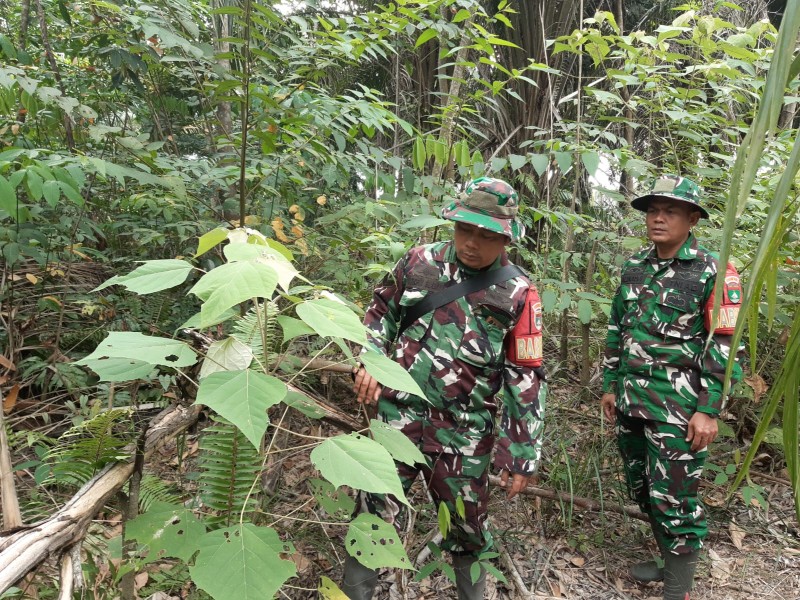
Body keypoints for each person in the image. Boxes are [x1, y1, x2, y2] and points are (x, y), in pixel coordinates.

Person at [343, 177, 547, 600]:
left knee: (467, 530)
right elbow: (379, 312)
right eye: (465, 229)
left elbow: (525, 376)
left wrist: (521, 451)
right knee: (373, 514)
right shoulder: (419, 262)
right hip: (397, 417)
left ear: (506, 237)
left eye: (487, 235)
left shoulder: (519, 293)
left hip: (464, 433)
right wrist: (370, 360)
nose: (472, 243)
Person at [601, 175, 743, 600]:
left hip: (679, 410)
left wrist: (709, 408)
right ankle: (669, 561)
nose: (658, 218)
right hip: (631, 402)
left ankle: (678, 588)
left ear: (693, 218)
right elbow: (618, 329)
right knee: (643, 488)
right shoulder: (635, 267)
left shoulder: (715, 272)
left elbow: (724, 342)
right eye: (652, 210)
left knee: (675, 498)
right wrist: (610, 385)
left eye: (671, 211)